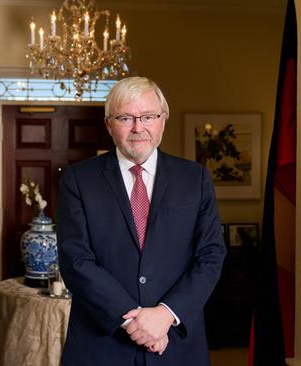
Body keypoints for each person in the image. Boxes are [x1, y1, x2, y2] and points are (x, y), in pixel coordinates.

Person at [56, 76, 226, 366]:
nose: (138, 128)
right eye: (126, 118)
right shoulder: (78, 179)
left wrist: (165, 315)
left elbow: (211, 255)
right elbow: (76, 260)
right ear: (109, 124)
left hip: (176, 343)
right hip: (100, 346)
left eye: (148, 116)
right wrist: (133, 321)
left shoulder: (194, 179)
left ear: (163, 120)